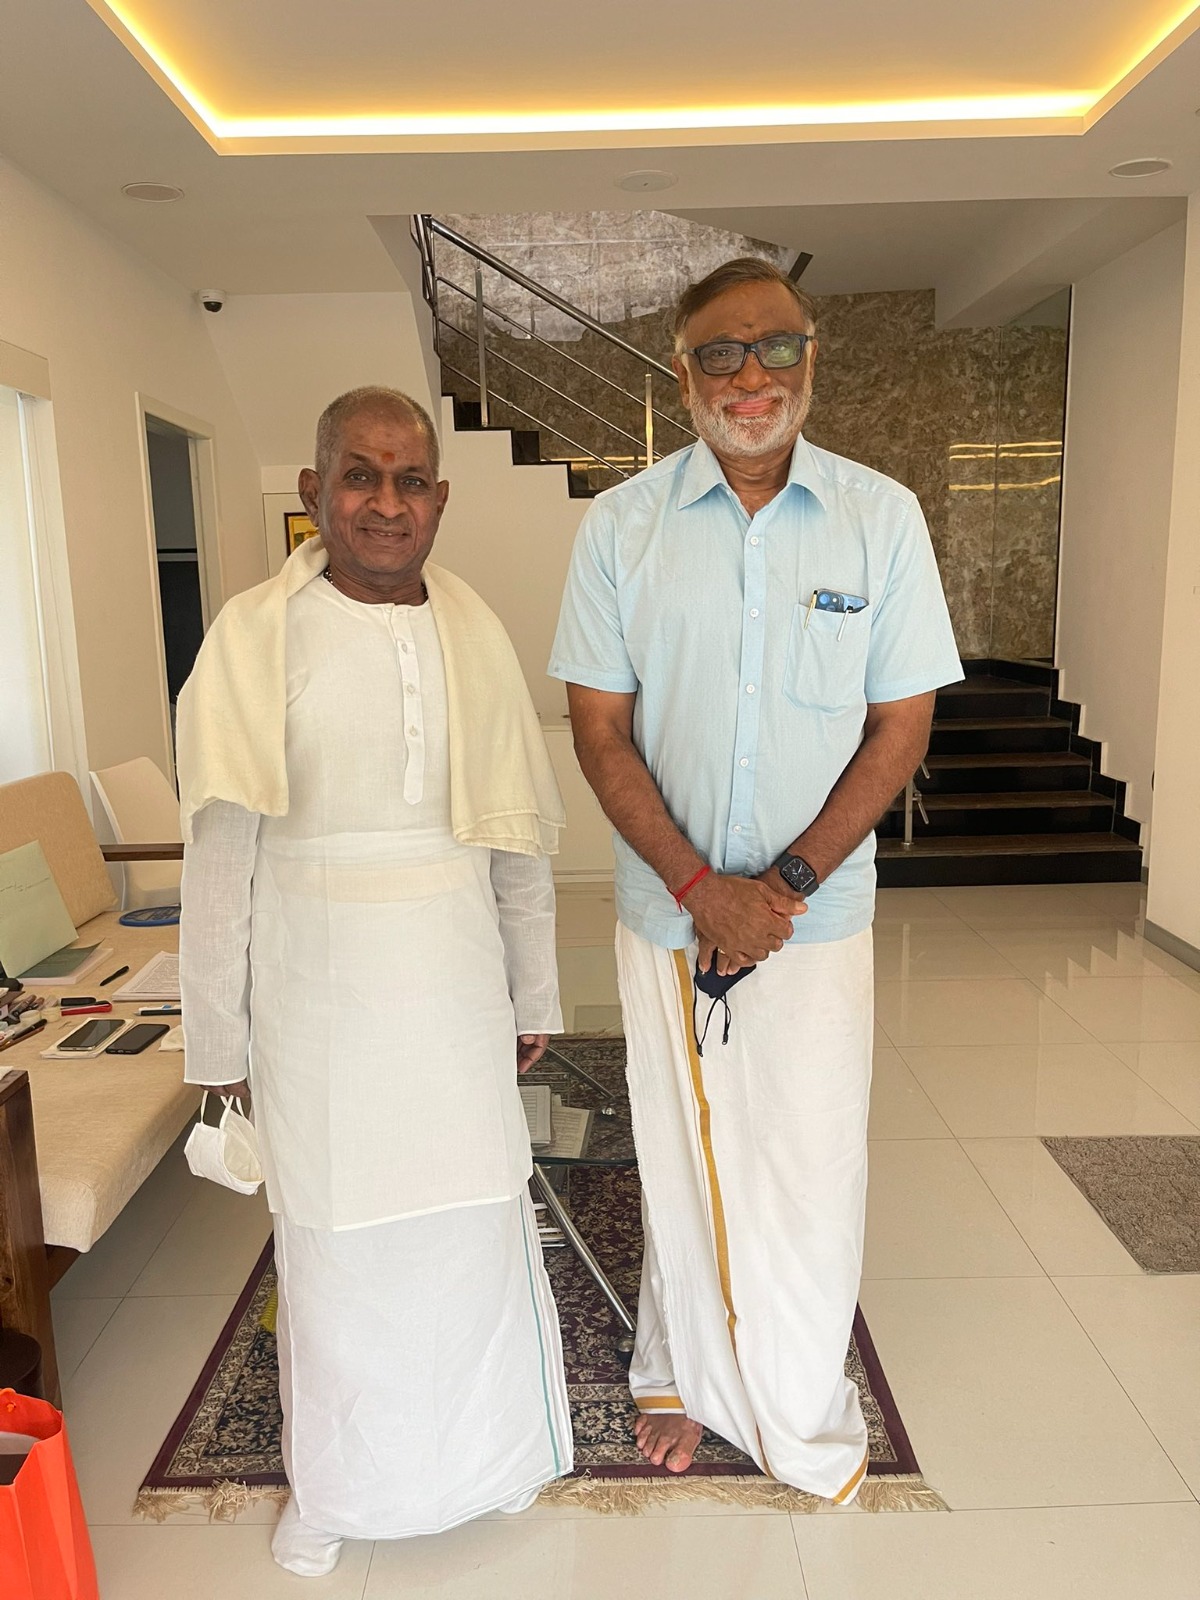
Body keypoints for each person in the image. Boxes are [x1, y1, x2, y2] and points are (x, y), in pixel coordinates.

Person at [549, 258, 962, 1503]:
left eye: (776, 347)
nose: (750, 375)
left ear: (810, 359)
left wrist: (777, 884)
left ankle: (788, 1389)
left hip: (816, 919)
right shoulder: (620, 527)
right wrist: (699, 886)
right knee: (681, 1143)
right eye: (721, 352)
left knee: (808, 1156)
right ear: (682, 372)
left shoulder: (880, 517)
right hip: (666, 914)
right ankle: (679, 1370)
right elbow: (598, 730)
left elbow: (900, 725)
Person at [176, 387, 573, 1575]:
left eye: (409, 481)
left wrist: (534, 992)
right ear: (315, 492)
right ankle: (337, 1492)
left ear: (440, 499)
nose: (385, 503)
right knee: (335, 1252)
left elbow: (515, 841)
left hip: (455, 986)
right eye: (360, 475)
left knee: (472, 1230)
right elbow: (220, 863)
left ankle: (494, 1458)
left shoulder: (478, 631)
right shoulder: (252, 635)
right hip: (317, 1002)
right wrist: (218, 1042)